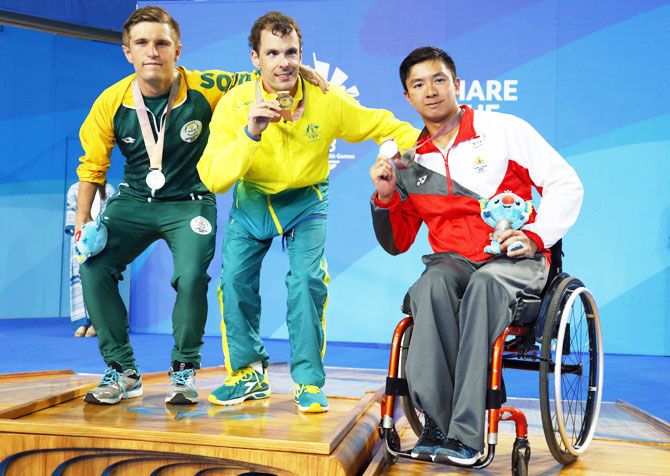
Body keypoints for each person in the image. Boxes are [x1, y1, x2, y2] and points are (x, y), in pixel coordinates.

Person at [75, 6, 327, 406]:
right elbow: (92, 165)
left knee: (192, 277)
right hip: (134, 201)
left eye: (162, 43)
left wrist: (302, 74)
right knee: (93, 266)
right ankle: (122, 370)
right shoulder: (111, 102)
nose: (152, 51)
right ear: (127, 51)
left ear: (178, 49)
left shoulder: (206, 85)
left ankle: (183, 369)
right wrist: (83, 219)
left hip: (190, 202)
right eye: (142, 43)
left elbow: (262, 73)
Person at [369, 47, 583, 464]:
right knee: (430, 286)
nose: (430, 91)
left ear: (457, 85)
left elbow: (565, 183)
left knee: (485, 285)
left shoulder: (502, 130)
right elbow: (397, 242)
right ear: (407, 97)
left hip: (514, 261)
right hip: (453, 263)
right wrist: (385, 195)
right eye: (418, 85)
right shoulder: (411, 161)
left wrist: (535, 236)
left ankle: (467, 434)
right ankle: (435, 423)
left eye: (439, 80)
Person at [197, 11, 418, 413]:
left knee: (305, 284)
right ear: (255, 58)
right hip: (253, 201)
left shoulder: (326, 100)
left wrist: (417, 148)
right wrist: (250, 134)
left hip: (306, 201)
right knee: (234, 282)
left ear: (301, 54)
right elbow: (214, 179)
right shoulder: (235, 106)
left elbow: (380, 124)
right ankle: (246, 374)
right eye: (273, 52)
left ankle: (309, 381)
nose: (283, 61)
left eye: (291, 52)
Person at [65, 181, 115, 337]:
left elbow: (111, 216)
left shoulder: (108, 189)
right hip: (80, 241)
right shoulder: (74, 188)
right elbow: (72, 217)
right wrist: (81, 237)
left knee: (100, 279)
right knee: (79, 277)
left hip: (102, 241)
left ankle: (98, 322)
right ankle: (81, 322)